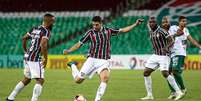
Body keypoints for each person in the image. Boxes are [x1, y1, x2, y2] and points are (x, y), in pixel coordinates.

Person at [63, 16, 143, 101]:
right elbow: (79, 44)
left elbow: (123, 30)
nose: (94, 27)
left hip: (103, 61)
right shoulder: (90, 33)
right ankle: (72, 65)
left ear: (101, 23)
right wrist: (69, 50)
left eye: (96, 25)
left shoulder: (108, 30)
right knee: (78, 80)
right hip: (92, 60)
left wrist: (135, 24)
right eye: (93, 25)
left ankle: (97, 100)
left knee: (105, 78)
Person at [6, 13, 55, 101]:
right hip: (35, 58)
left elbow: (24, 38)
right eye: (53, 21)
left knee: (27, 79)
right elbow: (43, 44)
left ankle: (10, 98)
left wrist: (25, 51)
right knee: (40, 80)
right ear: (49, 21)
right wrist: (45, 59)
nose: (54, 24)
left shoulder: (34, 28)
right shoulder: (46, 31)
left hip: (28, 57)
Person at [141, 16, 184, 100]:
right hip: (155, 55)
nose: (151, 23)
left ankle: (179, 92)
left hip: (164, 56)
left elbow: (171, 40)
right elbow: (148, 26)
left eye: (153, 22)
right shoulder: (151, 31)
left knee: (165, 73)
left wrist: (166, 47)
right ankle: (149, 95)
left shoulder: (162, 31)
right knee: (146, 72)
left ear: (156, 23)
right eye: (150, 22)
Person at [162, 16, 201, 99]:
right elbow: (167, 34)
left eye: (185, 21)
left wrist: (199, 46)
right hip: (171, 54)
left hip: (180, 53)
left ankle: (183, 89)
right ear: (179, 22)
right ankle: (173, 92)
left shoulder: (185, 30)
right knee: (168, 73)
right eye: (183, 21)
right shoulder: (172, 28)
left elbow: (192, 40)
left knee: (175, 71)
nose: (185, 23)